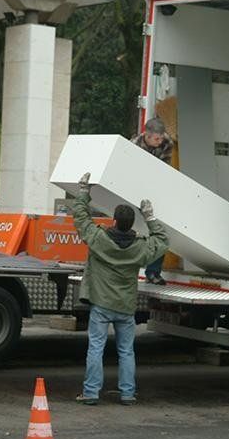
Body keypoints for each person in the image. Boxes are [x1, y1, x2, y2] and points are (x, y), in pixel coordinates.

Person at [72, 172, 169, 406]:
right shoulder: (140, 248)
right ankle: (127, 394)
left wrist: (84, 191)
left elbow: (81, 218)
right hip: (125, 307)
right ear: (130, 224)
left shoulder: (98, 238)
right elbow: (163, 240)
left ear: (113, 221)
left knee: (96, 348)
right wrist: (150, 217)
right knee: (126, 352)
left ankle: (91, 393)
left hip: (101, 305)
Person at [130, 117, 174, 284]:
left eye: (161, 138)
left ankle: (153, 272)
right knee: (137, 233)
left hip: (155, 186)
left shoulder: (167, 142)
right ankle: (132, 270)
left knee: (159, 231)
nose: (160, 141)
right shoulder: (133, 145)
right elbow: (133, 171)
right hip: (136, 186)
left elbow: (163, 169)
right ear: (146, 136)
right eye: (157, 139)